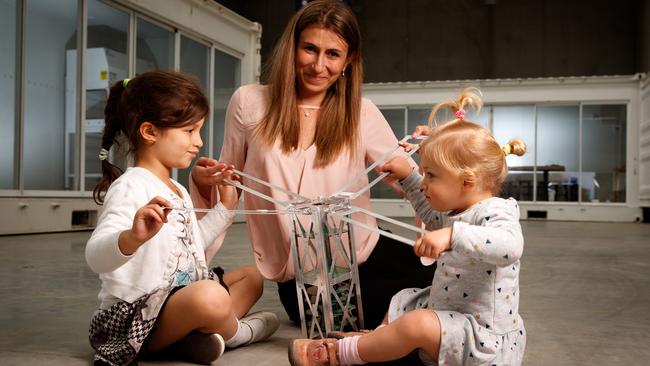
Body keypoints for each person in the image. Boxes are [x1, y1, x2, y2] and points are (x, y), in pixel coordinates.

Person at [190, 0, 435, 329]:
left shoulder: (362, 112)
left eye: (332, 54)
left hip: (366, 252)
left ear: (348, 60)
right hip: (302, 280)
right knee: (397, 319)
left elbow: (419, 188)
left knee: (452, 280)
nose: (319, 65)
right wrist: (205, 181)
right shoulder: (249, 102)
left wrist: (436, 159)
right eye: (310, 49)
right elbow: (227, 184)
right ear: (292, 48)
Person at [287, 87, 528, 366]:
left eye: (431, 176)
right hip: (450, 312)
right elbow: (431, 215)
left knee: (415, 324)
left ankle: (344, 355)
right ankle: (375, 342)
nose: (425, 183)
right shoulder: (457, 209)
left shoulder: (496, 211)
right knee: (405, 300)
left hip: (478, 338)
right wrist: (409, 178)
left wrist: (452, 236)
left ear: (467, 181)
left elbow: (510, 246)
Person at [85, 70, 279, 366]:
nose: (198, 141)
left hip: (176, 301)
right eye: (189, 131)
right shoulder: (130, 186)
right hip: (134, 318)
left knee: (252, 277)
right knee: (209, 297)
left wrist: (225, 206)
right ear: (149, 132)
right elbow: (95, 257)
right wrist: (130, 238)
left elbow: (189, 246)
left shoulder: (175, 188)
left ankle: (192, 337)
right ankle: (235, 333)